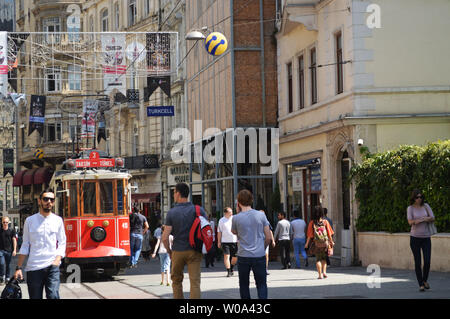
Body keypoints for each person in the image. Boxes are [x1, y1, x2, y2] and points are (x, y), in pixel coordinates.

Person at [13, 188, 66, 299]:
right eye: (46, 199)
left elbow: (62, 242)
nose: (49, 202)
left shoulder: (58, 220)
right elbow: (25, 245)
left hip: (52, 267)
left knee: (53, 296)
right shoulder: (30, 221)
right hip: (34, 268)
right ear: (39, 201)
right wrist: (18, 268)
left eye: (51, 200)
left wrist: (57, 260)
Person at [162, 183, 207, 299]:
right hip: (194, 250)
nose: (173, 195)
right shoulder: (199, 210)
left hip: (178, 250)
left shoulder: (172, 212)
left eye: (174, 192)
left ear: (178, 193)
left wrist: (169, 251)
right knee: (195, 282)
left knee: (176, 281)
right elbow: (205, 230)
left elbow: (165, 237)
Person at [231, 190, 272, 299]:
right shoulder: (261, 215)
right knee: (261, 284)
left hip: (243, 255)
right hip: (259, 254)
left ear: (238, 202)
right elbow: (268, 237)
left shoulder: (236, 218)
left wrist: (238, 212)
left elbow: (234, 232)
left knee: (244, 285)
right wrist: (262, 248)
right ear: (252, 200)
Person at [407, 189, 435, 292]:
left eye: (421, 197)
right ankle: (421, 284)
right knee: (418, 262)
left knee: (427, 261)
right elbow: (410, 222)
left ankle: (424, 280)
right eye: (417, 197)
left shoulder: (426, 206)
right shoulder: (410, 208)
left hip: (426, 237)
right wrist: (419, 220)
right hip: (414, 238)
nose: (419, 199)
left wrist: (424, 219)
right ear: (413, 198)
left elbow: (432, 217)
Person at [305, 206, 334, 280]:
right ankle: (324, 272)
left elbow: (309, 235)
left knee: (318, 259)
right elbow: (329, 234)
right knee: (324, 258)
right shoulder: (325, 222)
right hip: (325, 243)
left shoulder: (312, 223)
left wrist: (307, 244)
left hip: (317, 243)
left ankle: (320, 275)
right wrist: (331, 242)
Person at [217, 207, 238, 277]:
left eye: (232, 212)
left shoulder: (234, 219)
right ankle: (228, 271)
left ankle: (231, 268)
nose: (231, 213)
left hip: (234, 241)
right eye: (230, 212)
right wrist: (219, 241)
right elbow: (219, 232)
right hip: (225, 241)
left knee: (235, 257)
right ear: (225, 213)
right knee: (226, 256)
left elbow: (238, 229)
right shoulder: (221, 220)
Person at [0, 217, 17, 285]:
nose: (5, 223)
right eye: (4, 222)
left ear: (8, 222)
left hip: (9, 251)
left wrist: (15, 250)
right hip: (1, 250)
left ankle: (7, 278)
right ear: (2, 222)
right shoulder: (0, 230)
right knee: (1, 263)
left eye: (6, 222)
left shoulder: (11, 230)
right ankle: (1, 277)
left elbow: (14, 240)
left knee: (8, 265)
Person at [259, 211, 275, 275]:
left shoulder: (266, 222)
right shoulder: (255, 222)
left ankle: (265, 269)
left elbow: (270, 231)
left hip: (265, 240)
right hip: (258, 241)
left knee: (266, 255)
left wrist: (273, 240)